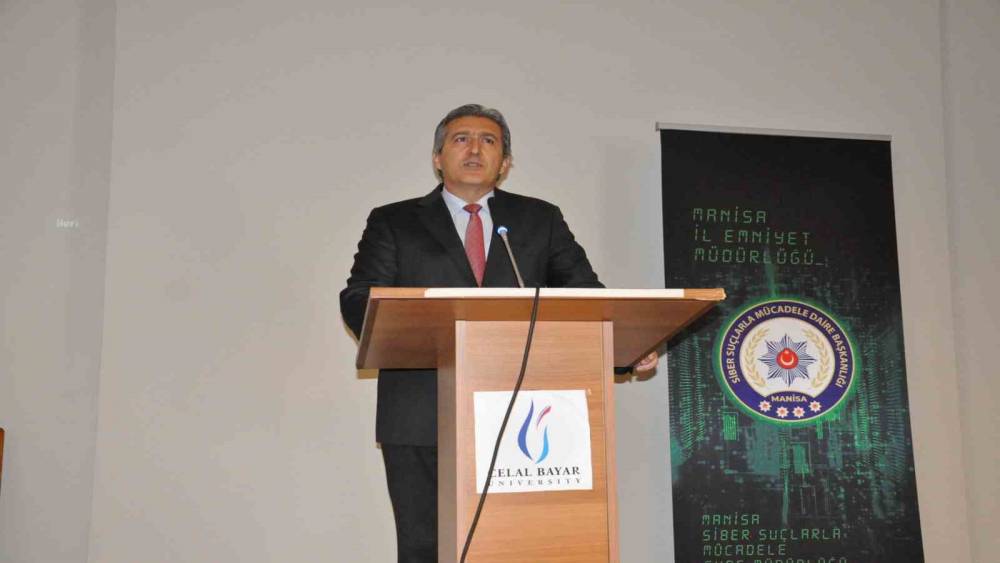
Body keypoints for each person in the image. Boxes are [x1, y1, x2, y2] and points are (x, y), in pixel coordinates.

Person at [340, 104, 657, 562]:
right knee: (426, 547)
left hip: (526, 411)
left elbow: (586, 297)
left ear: (505, 163)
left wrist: (626, 348)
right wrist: (405, 326)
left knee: (521, 545)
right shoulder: (394, 220)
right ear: (437, 157)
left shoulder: (539, 220)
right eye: (461, 139)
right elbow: (359, 297)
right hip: (421, 413)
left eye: (488, 141)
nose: (474, 149)